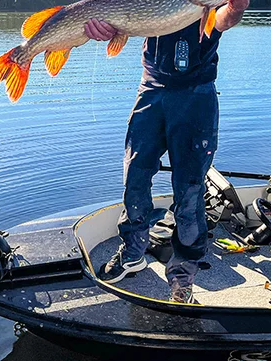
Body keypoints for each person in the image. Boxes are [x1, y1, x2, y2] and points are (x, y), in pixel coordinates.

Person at [91, 0, 250, 303]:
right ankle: (133, 252)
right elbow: (120, 14)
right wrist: (103, 27)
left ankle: (183, 274)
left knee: (189, 192)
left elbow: (225, 18)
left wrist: (238, 6)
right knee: (134, 177)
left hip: (195, 97)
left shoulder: (207, 9)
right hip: (151, 89)